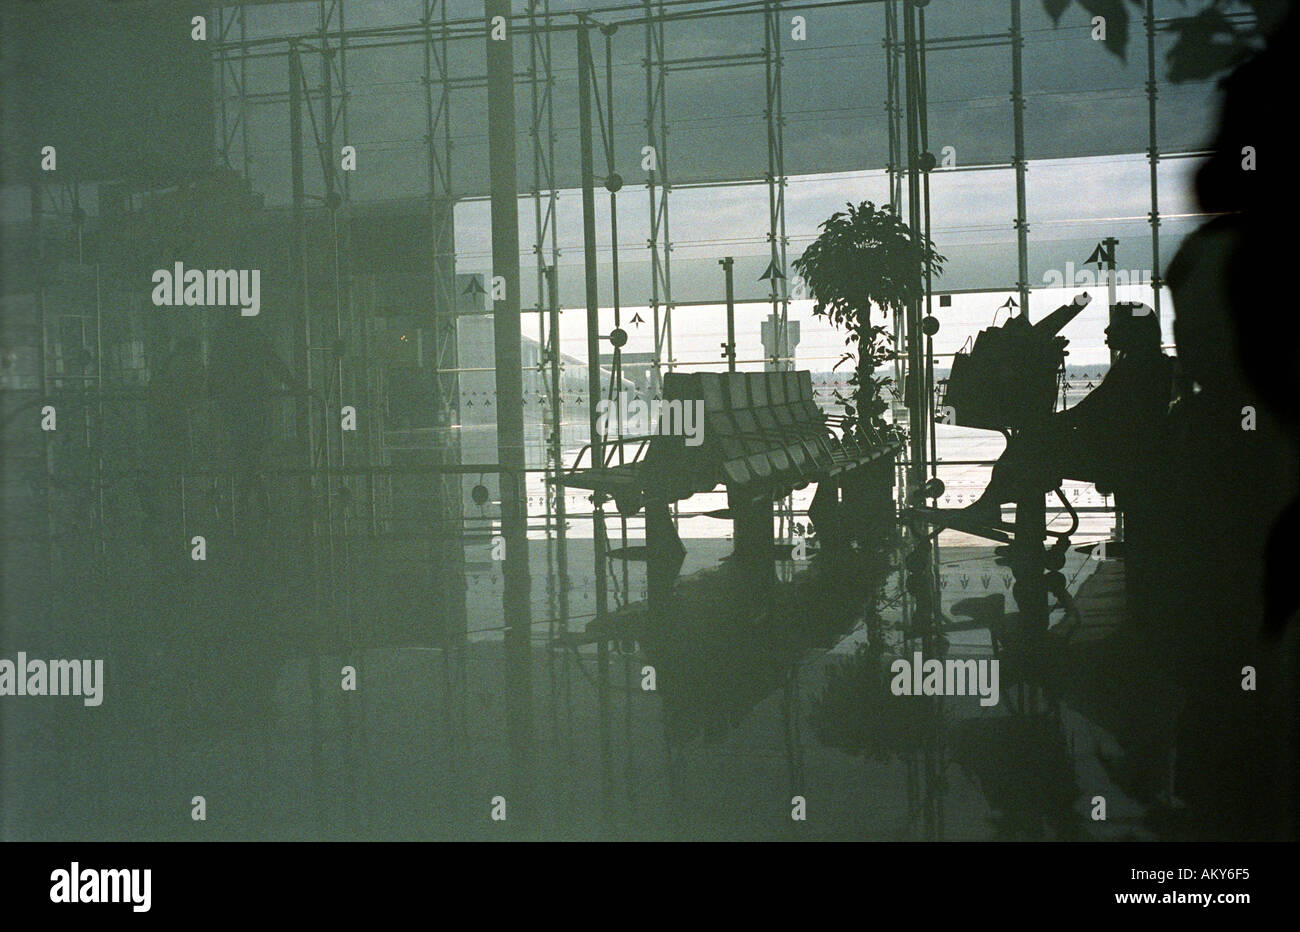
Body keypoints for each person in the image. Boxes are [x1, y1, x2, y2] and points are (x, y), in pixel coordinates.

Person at [959, 304, 1173, 525]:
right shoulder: (1148, 365)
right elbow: (1094, 412)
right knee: (1031, 453)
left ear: (1132, 331)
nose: (1107, 330)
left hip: (1115, 454)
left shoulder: (1133, 369)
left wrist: (1048, 421)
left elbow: (1088, 412)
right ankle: (1010, 522)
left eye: (1115, 325)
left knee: (1027, 449)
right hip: (1128, 451)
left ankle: (998, 512)